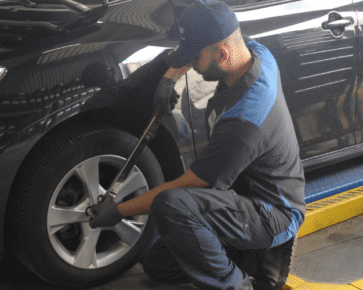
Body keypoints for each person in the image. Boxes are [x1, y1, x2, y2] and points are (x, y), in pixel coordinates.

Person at [87, 1, 305, 289]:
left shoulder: (245, 120)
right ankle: (238, 252)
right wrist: (168, 78)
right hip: (237, 196)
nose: (190, 64)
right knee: (159, 267)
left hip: (271, 213)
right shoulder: (255, 53)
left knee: (172, 204)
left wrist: (118, 210)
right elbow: (208, 49)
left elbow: (192, 185)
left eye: (194, 57)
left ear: (223, 54)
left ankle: (239, 283)